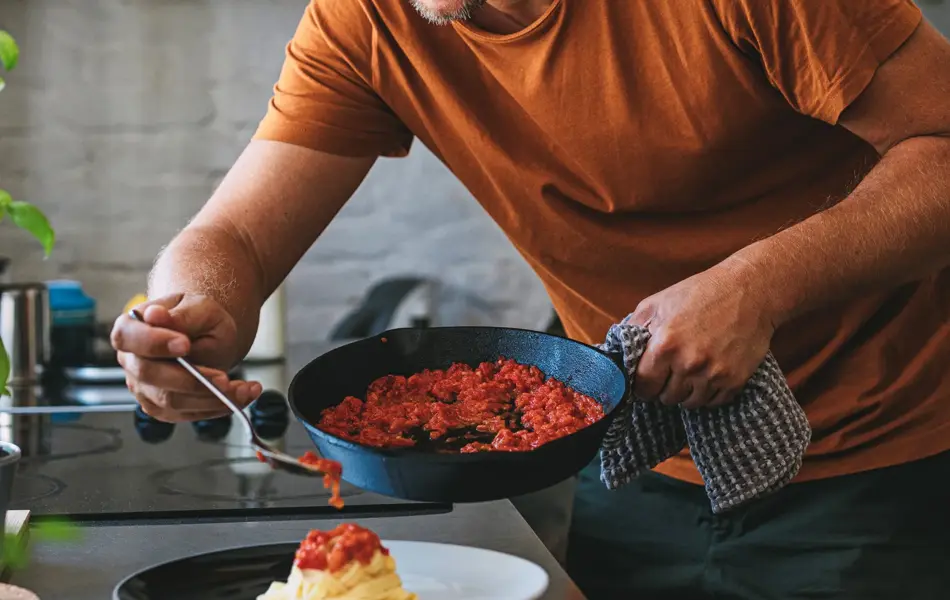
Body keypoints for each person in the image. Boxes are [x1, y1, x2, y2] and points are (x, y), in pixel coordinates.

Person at [111, 0, 950, 597]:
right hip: (631, 460)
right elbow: (236, 240)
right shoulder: (368, 16)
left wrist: (756, 286)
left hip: (876, 464)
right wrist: (191, 312)